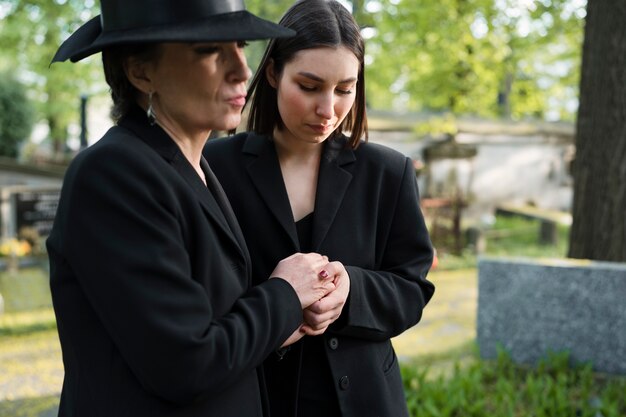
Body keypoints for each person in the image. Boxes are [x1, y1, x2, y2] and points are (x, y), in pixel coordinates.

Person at [46, 1, 348, 416]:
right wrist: (285, 296)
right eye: (209, 50)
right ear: (141, 71)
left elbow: (213, 322)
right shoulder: (114, 173)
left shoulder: (195, 168)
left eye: (240, 46)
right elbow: (185, 363)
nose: (242, 70)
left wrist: (286, 317)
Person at [203, 1, 436, 416]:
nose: (328, 110)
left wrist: (351, 291)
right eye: (309, 87)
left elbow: (411, 289)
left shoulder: (388, 172)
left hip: (365, 401)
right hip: (257, 397)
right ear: (273, 72)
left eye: (345, 89)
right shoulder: (216, 166)